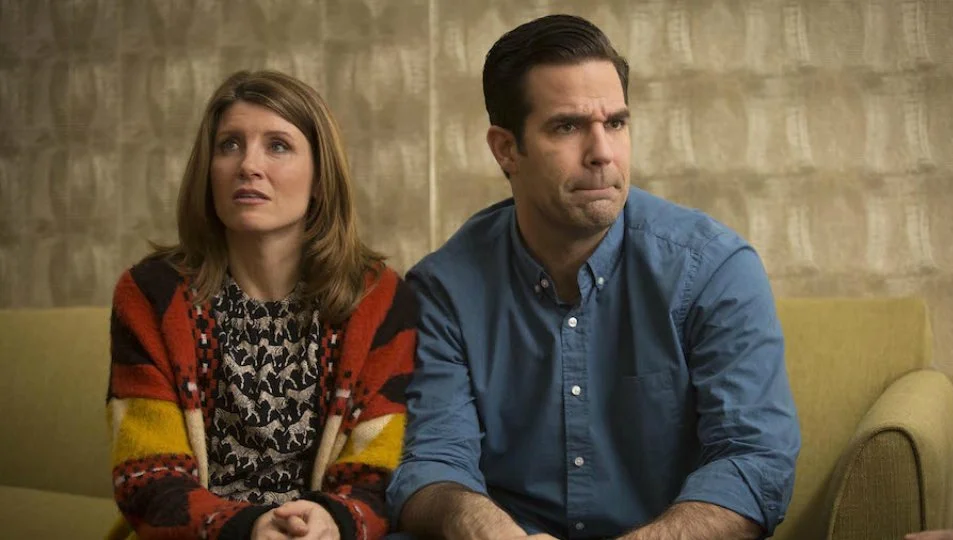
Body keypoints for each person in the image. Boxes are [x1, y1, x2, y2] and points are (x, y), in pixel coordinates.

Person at [386, 14, 801, 540]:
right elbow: (430, 459)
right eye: (568, 126)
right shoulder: (444, 290)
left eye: (617, 123)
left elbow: (754, 459)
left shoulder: (714, 269)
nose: (602, 152)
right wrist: (488, 530)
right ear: (506, 149)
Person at [106, 70, 416, 540]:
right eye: (229, 145)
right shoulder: (150, 294)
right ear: (208, 171)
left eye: (278, 145)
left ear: (320, 178)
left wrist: (331, 521)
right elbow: (148, 476)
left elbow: (381, 472)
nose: (248, 165)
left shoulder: (379, 299)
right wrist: (249, 528)